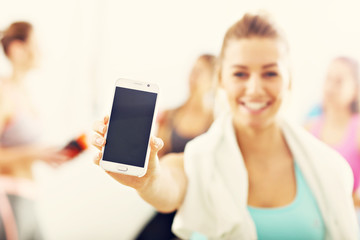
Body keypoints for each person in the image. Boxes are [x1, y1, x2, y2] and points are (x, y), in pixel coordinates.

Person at [93, 13, 358, 239]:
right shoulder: (199, 160)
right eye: (240, 73)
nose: (254, 88)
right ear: (221, 80)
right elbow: (168, 184)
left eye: (270, 73)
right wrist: (148, 180)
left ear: (289, 79)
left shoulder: (327, 167)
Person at [0, 21, 70, 240]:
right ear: (17, 50)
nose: (42, 52)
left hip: (27, 197)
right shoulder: (4, 93)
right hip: (8, 197)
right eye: (36, 45)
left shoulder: (25, 93)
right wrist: (35, 153)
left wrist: (44, 156)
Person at [136, 54, 216, 240]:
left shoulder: (216, 122)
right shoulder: (170, 115)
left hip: (199, 205)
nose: (192, 76)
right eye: (191, 71)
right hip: (169, 198)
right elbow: (159, 159)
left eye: (199, 72)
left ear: (213, 78)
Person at [306, 56, 360, 206]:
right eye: (328, 79)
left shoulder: (357, 131)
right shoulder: (308, 127)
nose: (330, 87)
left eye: (339, 81)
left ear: (355, 90)